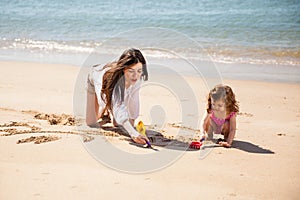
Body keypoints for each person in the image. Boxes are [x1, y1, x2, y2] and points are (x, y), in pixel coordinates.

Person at [86, 48, 149, 145]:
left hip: (116, 94)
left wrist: (133, 128)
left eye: (139, 71)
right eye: (131, 71)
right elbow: (119, 107)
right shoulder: (115, 82)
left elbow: (134, 103)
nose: (135, 76)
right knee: (91, 122)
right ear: (124, 69)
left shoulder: (138, 78)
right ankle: (107, 106)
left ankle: (111, 107)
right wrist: (133, 134)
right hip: (94, 80)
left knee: (120, 124)